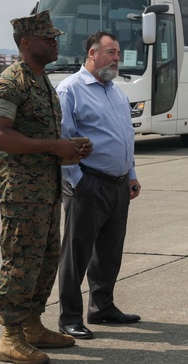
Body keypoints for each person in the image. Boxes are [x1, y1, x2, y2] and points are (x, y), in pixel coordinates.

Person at [0, 10, 89, 364]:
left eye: (55, 37)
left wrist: (68, 151)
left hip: (45, 190)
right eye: (48, 38)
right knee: (20, 262)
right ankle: (9, 337)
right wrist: (52, 146)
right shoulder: (11, 81)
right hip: (21, 194)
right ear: (26, 43)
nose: (55, 42)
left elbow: (41, 138)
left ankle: (32, 324)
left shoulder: (42, 82)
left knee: (44, 261)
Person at [55, 31, 142, 340]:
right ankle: (69, 317)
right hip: (88, 183)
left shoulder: (116, 91)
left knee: (109, 252)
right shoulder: (71, 90)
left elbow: (126, 136)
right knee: (76, 252)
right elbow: (64, 141)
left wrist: (130, 173)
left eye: (118, 52)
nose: (117, 57)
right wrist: (79, 182)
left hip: (118, 185)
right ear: (92, 54)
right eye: (110, 52)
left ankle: (102, 307)